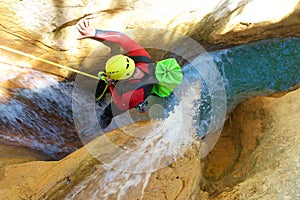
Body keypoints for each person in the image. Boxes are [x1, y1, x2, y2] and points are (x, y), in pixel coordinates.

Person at [76, 19, 157, 129]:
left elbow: (120, 103)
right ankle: (99, 100)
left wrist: (110, 85)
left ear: (122, 78)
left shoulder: (135, 95)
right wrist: (94, 33)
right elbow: (121, 38)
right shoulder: (142, 57)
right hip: (130, 82)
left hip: (136, 95)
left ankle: (96, 130)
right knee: (103, 79)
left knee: (109, 111)